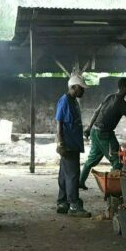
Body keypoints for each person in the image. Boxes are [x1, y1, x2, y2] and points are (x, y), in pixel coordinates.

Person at [78, 77, 126, 189]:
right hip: (104, 134)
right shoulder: (122, 104)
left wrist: (89, 128)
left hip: (95, 131)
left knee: (92, 159)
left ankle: (80, 182)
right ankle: (112, 188)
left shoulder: (109, 96)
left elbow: (96, 112)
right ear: (124, 87)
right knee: (117, 160)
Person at [55, 74, 91, 218]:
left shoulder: (73, 101)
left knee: (65, 174)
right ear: (74, 87)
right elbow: (59, 122)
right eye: (81, 88)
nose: (83, 91)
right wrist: (61, 142)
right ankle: (74, 205)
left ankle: (62, 202)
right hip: (68, 144)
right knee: (73, 175)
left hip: (73, 143)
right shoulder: (65, 101)